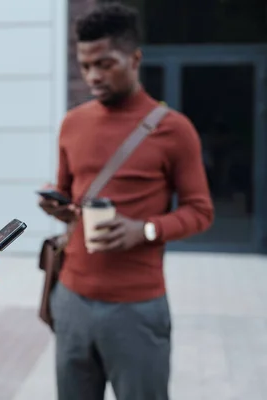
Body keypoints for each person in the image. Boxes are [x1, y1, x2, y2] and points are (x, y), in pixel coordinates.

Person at [38, 3, 214, 400]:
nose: (93, 77)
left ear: (134, 59)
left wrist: (146, 229)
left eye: (105, 64)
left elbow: (201, 211)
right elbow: (68, 191)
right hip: (71, 299)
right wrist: (57, 204)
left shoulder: (175, 130)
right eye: (85, 66)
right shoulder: (73, 122)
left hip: (136, 308)